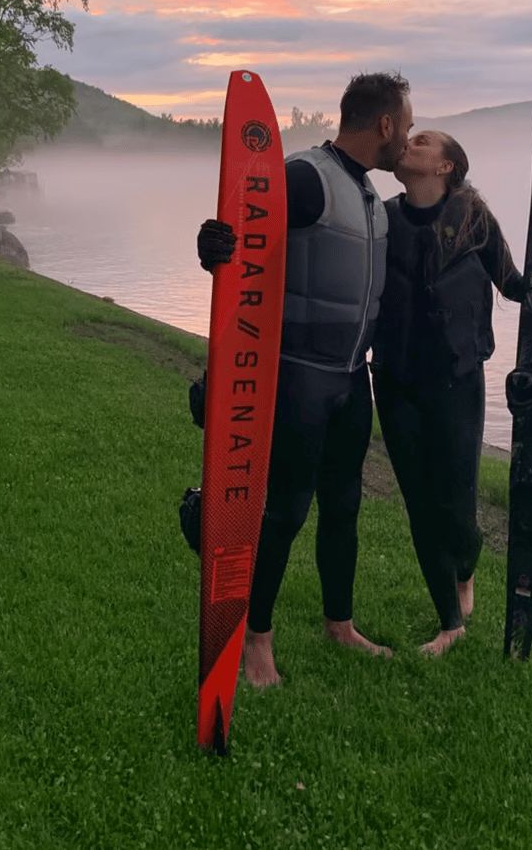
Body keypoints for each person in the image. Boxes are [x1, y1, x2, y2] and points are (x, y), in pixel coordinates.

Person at [197, 71, 413, 688]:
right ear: (385, 125)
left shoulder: (369, 193)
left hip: (352, 381)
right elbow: (238, 219)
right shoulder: (307, 177)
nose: (409, 135)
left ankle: (338, 624)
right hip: (300, 379)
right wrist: (213, 245)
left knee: (344, 506)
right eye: (409, 123)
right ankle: (256, 641)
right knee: (285, 512)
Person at [370, 129, 532, 657]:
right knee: (420, 506)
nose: (409, 141)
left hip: (457, 381)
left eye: (422, 139)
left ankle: (466, 566)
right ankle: (450, 623)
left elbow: (519, 288)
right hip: (394, 380)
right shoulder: (381, 219)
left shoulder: (474, 222)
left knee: (457, 509)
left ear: (446, 166)